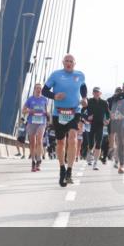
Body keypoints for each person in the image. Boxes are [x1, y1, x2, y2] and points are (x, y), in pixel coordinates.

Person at [42, 54, 87, 187]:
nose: (68, 63)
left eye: (71, 61)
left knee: (73, 138)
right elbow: (45, 91)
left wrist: (84, 98)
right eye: (66, 61)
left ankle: (70, 170)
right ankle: (62, 167)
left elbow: (83, 87)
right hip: (59, 112)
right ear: (63, 62)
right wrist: (54, 95)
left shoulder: (80, 75)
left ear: (74, 63)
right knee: (61, 142)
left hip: (74, 111)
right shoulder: (56, 75)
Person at [22, 83, 48, 172]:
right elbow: (23, 110)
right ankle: (33, 160)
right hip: (31, 122)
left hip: (41, 122)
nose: (38, 90)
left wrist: (47, 115)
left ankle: (39, 160)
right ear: (34, 89)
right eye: (37, 88)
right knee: (33, 142)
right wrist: (30, 110)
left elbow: (47, 112)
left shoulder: (44, 100)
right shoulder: (30, 100)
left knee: (39, 140)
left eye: (40, 88)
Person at [84, 86, 109, 168]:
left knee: (98, 143)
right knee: (90, 144)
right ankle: (90, 155)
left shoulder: (104, 102)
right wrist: (87, 117)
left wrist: (107, 120)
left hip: (100, 125)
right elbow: (82, 112)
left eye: (97, 92)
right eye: (94, 92)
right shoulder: (89, 101)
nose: (96, 93)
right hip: (90, 124)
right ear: (92, 93)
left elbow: (108, 113)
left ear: (100, 93)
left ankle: (95, 163)